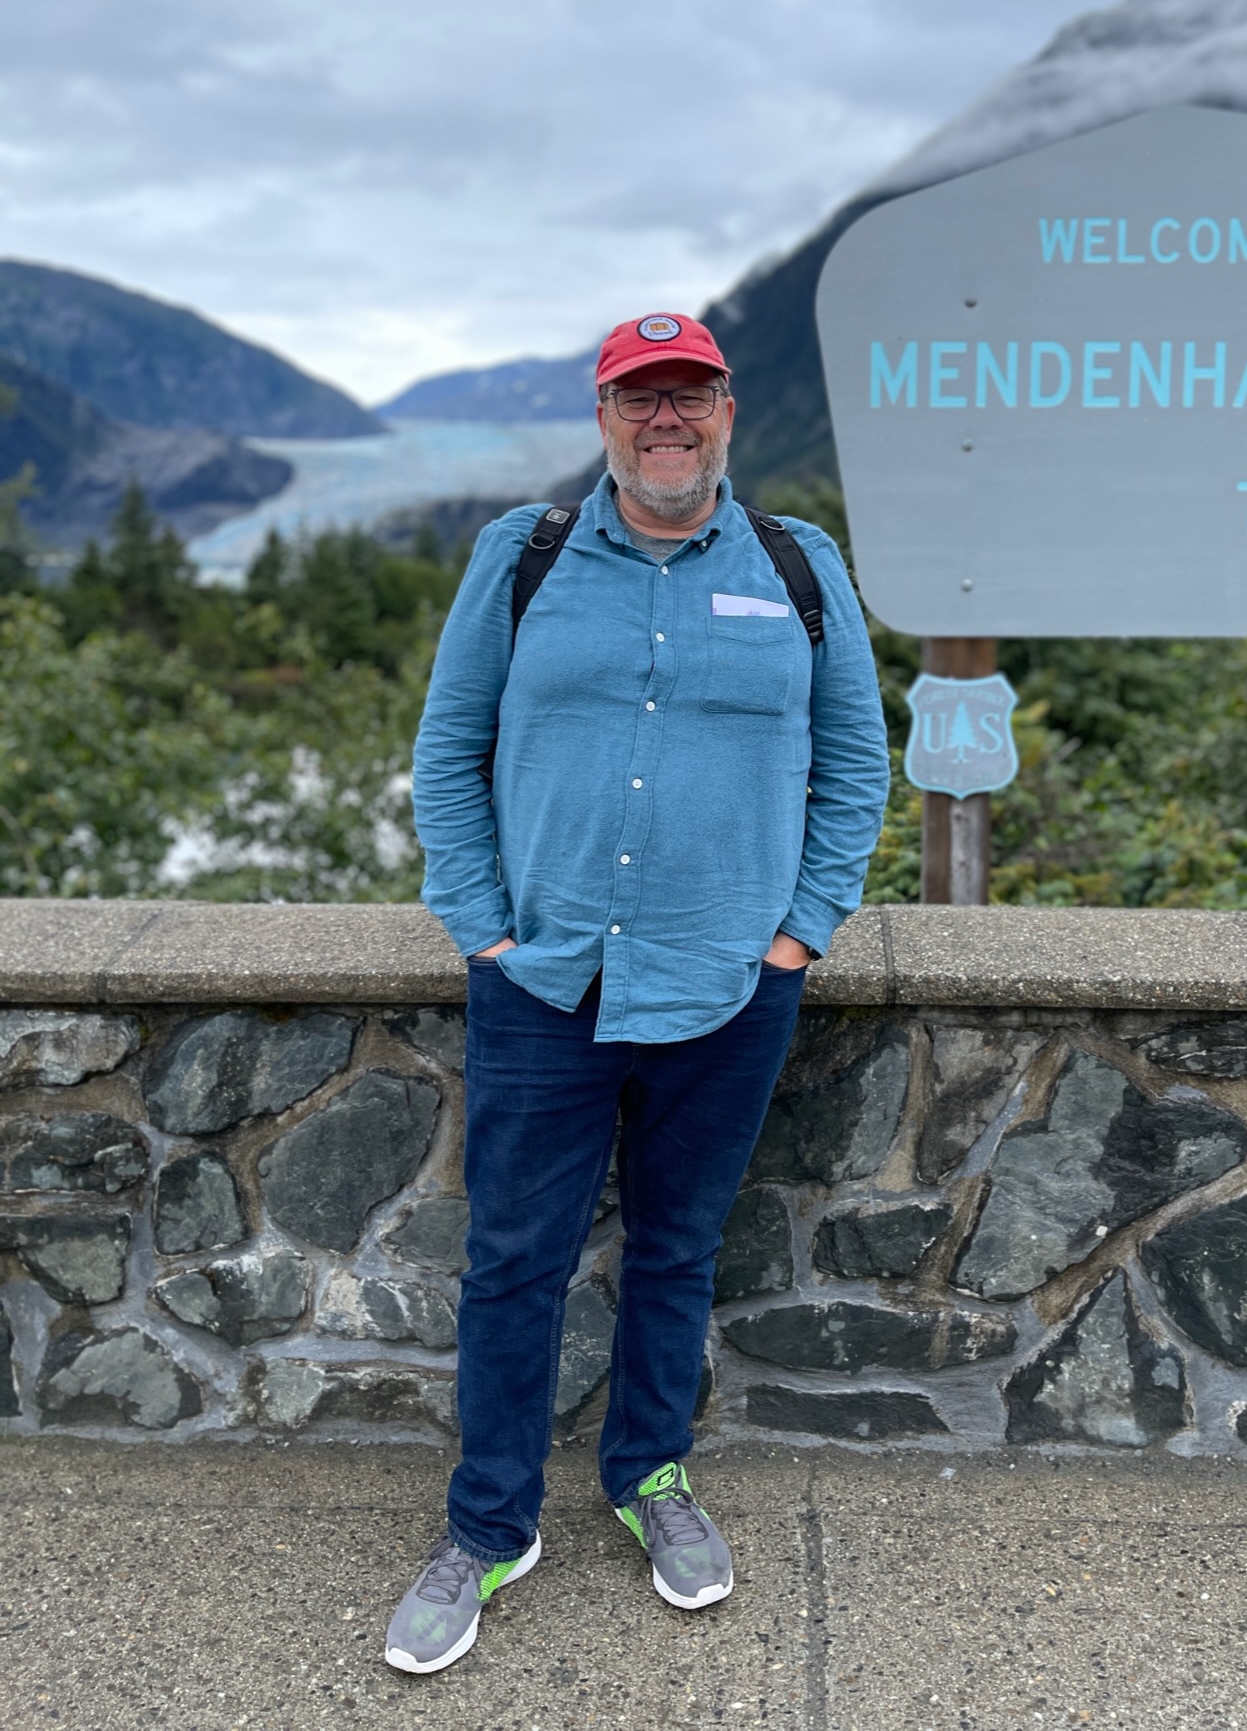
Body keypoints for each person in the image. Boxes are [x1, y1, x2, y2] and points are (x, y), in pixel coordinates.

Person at [386, 311, 889, 1673]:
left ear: (728, 411)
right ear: (604, 417)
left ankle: (650, 1473)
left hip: (730, 984)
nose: (667, 419)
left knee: (675, 1250)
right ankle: (488, 1527)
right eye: (639, 398)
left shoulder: (799, 564)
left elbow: (854, 763)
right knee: (513, 1264)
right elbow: (449, 746)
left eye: (690, 395)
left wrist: (799, 935)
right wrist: (483, 930)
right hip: (542, 982)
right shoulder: (526, 554)